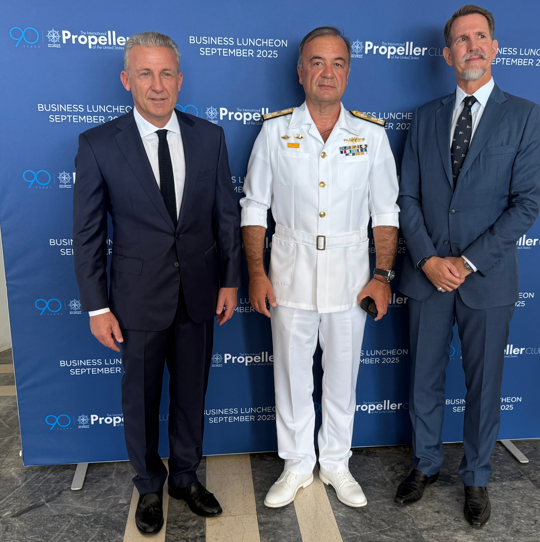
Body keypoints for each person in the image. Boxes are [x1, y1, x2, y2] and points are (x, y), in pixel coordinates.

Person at [73, 32, 242, 534]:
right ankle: (149, 485)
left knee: (192, 394)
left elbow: (226, 217)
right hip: (135, 301)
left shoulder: (209, 137)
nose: (157, 84)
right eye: (145, 73)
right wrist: (97, 308)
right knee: (141, 400)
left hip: (200, 293)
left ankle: (185, 478)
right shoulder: (98, 144)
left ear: (180, 79)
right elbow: (87, 235)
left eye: (166, 73)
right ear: (127, 80)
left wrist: (230, 281)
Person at [396, 5, 540, 527]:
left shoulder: (523, 114)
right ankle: (425, 464)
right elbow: (407, 197)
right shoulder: (424, 117)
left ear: (494, 47)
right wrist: (429, 259)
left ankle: (476, 477)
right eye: (461, 39)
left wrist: (467, 260)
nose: (472, 46)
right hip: (428, 275)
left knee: (484, 385)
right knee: (424, 379)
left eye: (480, 36)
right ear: (447, 54)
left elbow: (526, 203)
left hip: (488, 277)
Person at [241, 26, 399, 509]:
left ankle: (335, 463)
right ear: (300, 71)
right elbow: (254, 207)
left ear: (348, 73)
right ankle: (296, 464)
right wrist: (256, 273)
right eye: (317, 62)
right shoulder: (275, 131)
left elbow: (385, 213)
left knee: (342, 379)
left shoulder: (371, 135)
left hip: (352, 280)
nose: (327, 73)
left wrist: (382, 276)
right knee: (291, 378)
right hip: (288, 275)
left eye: (337, 63)